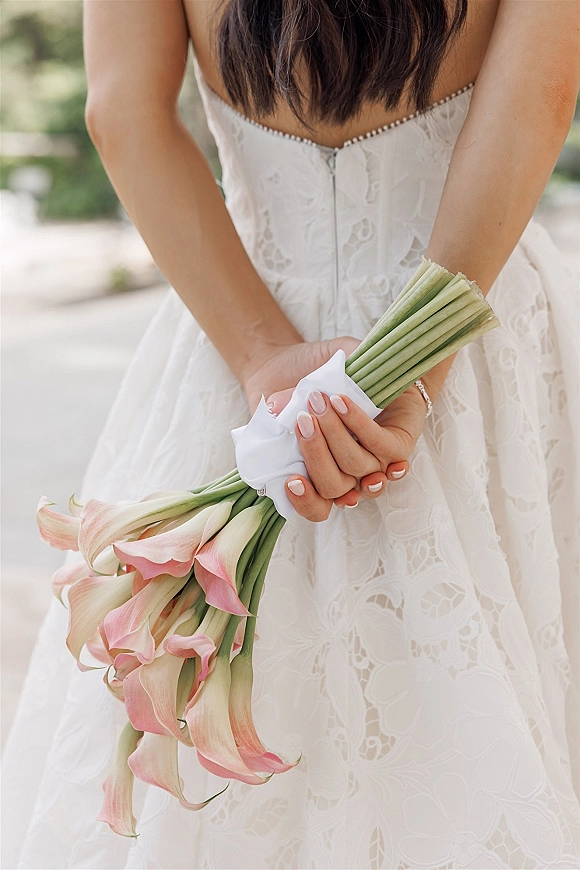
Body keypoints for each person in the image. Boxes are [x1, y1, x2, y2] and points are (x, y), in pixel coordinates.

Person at [2, 1, 579, 867]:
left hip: (237, 330)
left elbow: (120, 108)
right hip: (482, 331)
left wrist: (266, 359)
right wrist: (411, 370)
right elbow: (540, 89)